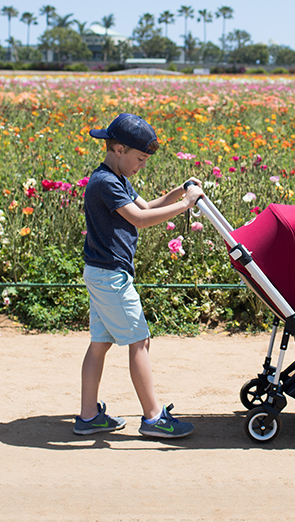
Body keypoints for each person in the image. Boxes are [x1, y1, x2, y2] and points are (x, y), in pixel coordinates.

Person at [75, 113, 204, 439]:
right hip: (110, 276)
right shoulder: (105, 182)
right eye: (140, 159)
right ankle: (153, 417)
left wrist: (179, 192)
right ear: (119, 149)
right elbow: (139, 220)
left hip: (101, 273)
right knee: (140, 341)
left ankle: (88, 416)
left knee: (100, 343)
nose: (142, 165)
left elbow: (147, 207)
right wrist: (187, 205)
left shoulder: (116, 177)